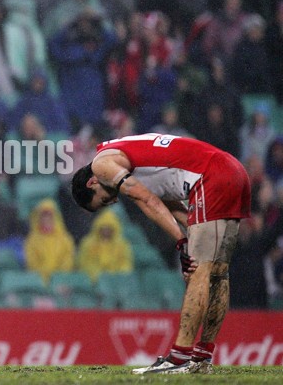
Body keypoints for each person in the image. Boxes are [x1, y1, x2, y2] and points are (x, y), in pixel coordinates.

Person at [71, 133, 251, 374]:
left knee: (199, 269)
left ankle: (179, 358)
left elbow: (146, 199)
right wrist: (190, 237)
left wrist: (181, 243)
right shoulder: (133, 160)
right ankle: (201, 359)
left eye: (103, 201)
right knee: (218, 273)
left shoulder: (101, 165)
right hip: (232, 170)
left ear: (92, 182)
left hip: (209, 177)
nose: (111, 203)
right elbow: (172, 206)